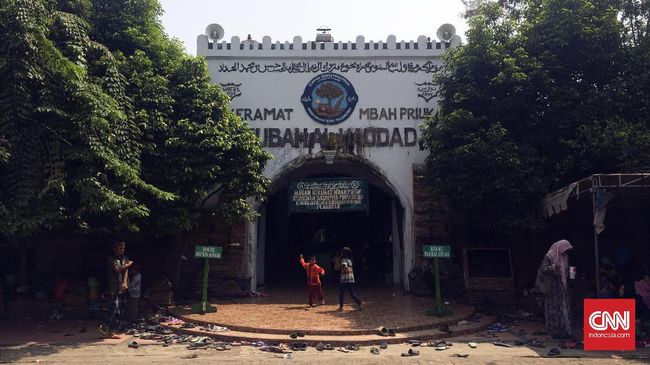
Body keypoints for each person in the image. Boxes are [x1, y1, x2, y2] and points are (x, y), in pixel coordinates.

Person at [535, 240, 573, 338]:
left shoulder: (565, 257)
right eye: (564, 249)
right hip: (552, 287)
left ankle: (565, 332)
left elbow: (565, 271)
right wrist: (552, 267)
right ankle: (553, 333)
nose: (565, 252)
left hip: (562, 286)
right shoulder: (549, 256)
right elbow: (543, 268)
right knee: (553, 310)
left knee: (564, 309)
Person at [100, 241, 133, 336]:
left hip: (122, 287)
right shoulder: (111, 259)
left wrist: (125, 282)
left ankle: (113, 330)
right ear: (115, 249)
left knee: (120, 310)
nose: (122, 250)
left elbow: (125, 271)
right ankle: (107, 327)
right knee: (114, 308)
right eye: (120, 248)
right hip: (113, 288)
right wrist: (128, 265)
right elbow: (117, 269)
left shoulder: (124, 257)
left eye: (123, 248)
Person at [338, 247, 362, 311]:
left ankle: (341, 306)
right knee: (352, 293)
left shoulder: (343, 260)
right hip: (350, 278)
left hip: (344, 279)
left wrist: (345, 269)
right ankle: (359, 302)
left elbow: (344, 266)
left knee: (341, 293)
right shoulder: (350, 260)